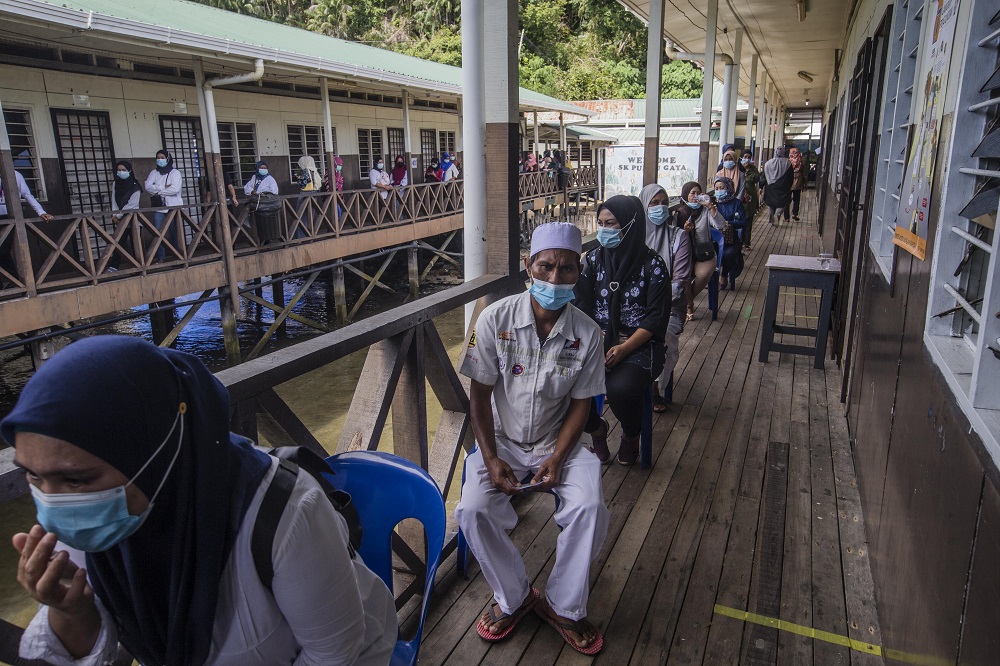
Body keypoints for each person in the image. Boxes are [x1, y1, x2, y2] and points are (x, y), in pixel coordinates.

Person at [5, 336, 397, 665]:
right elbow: (104, 651)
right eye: (33, 476)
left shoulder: (286, 514)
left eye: (75, 479)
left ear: (155, 455)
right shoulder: (92, 524)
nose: (52, 508)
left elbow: (334, 654)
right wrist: (70, 610)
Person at [456, 222, 608, 655]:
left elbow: (582, 403)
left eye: (566, 269)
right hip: (500, 441)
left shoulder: (589, 334)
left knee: (590, 506)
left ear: (579, 272)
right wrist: (489, 458)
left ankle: (564, 605)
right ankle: (515, 596)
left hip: (557, 441)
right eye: (546, 267)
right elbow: (479, 395)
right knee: (472, 510)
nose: (554, 279)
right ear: (529, 266)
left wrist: (558, 458)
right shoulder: (491, 319)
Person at [576, 195, 669, 465]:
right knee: (564, 379)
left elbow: (655, 317)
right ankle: (596, 429)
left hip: (640, 343)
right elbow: (581, 306)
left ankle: (630, 434)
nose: (604, 230)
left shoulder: (653, 265)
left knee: (621, 388)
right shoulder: (591, 261)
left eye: (612, 224)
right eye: (601, 223)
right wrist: (598, 337)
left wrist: (624, 347)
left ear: (630, 224)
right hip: (596, 338)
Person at [639, 184, 691, 412]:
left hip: (669, 308)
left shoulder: (678, 237)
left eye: (663, 202)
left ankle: (654, 386)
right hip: (635, 306)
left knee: (663, 335)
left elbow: (679, 282)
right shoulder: (633, 237)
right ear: (643, 206)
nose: (660, 208)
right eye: (653, 203)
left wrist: (651, 301)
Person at [0, 170, 53, 288]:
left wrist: (41, 212)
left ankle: (14, 281)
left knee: (3, 250)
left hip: (9, 217)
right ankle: (12, 282)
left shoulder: (15, 175)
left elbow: (27, 194)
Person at [143, 150, 183, 261]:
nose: (160, 160)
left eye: (162, 157)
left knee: (175, 232)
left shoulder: (175, 173)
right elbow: (147, 186)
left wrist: (157, 190)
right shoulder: (154, 173)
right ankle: (161, 257)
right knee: (158, 233)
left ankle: (178, 256)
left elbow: (174, 189)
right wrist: (164, 187)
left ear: (168, 158)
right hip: (160, 208)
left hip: (173, 208)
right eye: (158, 157)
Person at [713, 176, 746, 291]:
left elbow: (743, 222)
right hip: (714, 239)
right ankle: (710, 278)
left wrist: (728, 223)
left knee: (727, 254)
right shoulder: (712, 203)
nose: (719, 191)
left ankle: (724, 274)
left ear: (729, 188)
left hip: (731, 239)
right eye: (716, 188)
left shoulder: (737, 203)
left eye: (722, 188)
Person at [108, 161, 142, 271]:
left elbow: (132, 204)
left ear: (129, 171)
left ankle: (139, 266)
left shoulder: (135, 185)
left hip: (132, 218)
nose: (121, 172)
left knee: (135, 243)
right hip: (119, 218)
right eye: (119, 170)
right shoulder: (116, 184)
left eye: (124, 170)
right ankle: (114, 266)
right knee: (118, 242)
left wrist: (118, 215)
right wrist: (114, 215)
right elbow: (114, 199)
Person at [244, 160, 280, 244]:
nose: (263, 169)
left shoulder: (270, 179)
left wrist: (262, 194)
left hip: (266, 205)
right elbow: (247, 188)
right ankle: (257, 241)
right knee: (256, 224)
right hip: (255, 205)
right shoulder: (254, 178)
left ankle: (266, 242)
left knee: (266, 224)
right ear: (257, 168)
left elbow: (274, 191)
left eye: (265, 168)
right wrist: (252, 191)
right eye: (261, 168)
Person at [761, 146, 793, 225]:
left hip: (770, 186)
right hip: (783, 186)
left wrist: (761, 186)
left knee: (771, 203)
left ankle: (772, 217)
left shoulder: (768, 163)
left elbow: (763, 176)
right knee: (784, 202)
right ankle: (778, 214)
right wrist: (790, 185)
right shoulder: (788, 163)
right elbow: (791, 176)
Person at [295, 156, 322, 238]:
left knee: (300, 216)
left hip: (305, 194)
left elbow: (303, 183)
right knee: (310, 215)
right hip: (314, 194)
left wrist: (298, 177)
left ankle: (301, 236)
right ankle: (309, 234)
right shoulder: (315, 171)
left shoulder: (305, 171)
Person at [740, 150, 761, 249]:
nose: (747, 159)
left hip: (750, 200)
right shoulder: (738, 168)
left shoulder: (753, 169)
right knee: (741, 222)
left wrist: (748, 169)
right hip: (740, 200)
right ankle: (740, 242)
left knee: (749, 222)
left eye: (749, 157)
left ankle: (746, 243)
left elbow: (757, 179)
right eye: (745, 156)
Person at [788, 147, 806, 221]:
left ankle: (786, 217)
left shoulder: (789, 161)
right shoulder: (801, 161)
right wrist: (804, 184)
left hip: (789, 181)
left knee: (787, 199)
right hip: (798, 181)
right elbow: (804, 173)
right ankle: (795, 214)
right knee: (797, 199)